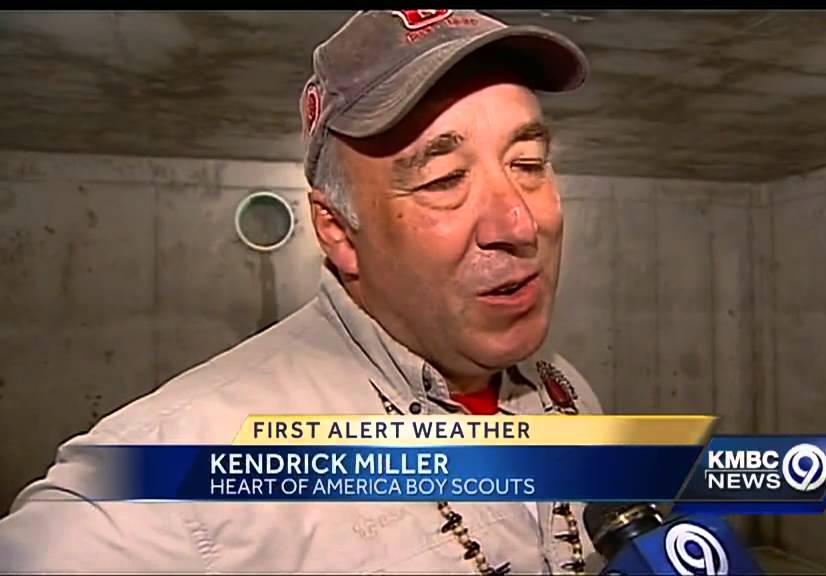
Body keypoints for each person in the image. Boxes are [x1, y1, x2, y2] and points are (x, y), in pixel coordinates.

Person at [0, 9, 604, 574]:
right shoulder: (196, 457)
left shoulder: (566, 389)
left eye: (528, 163)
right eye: (445, 179)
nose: (519, 224)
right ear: (338, 231)